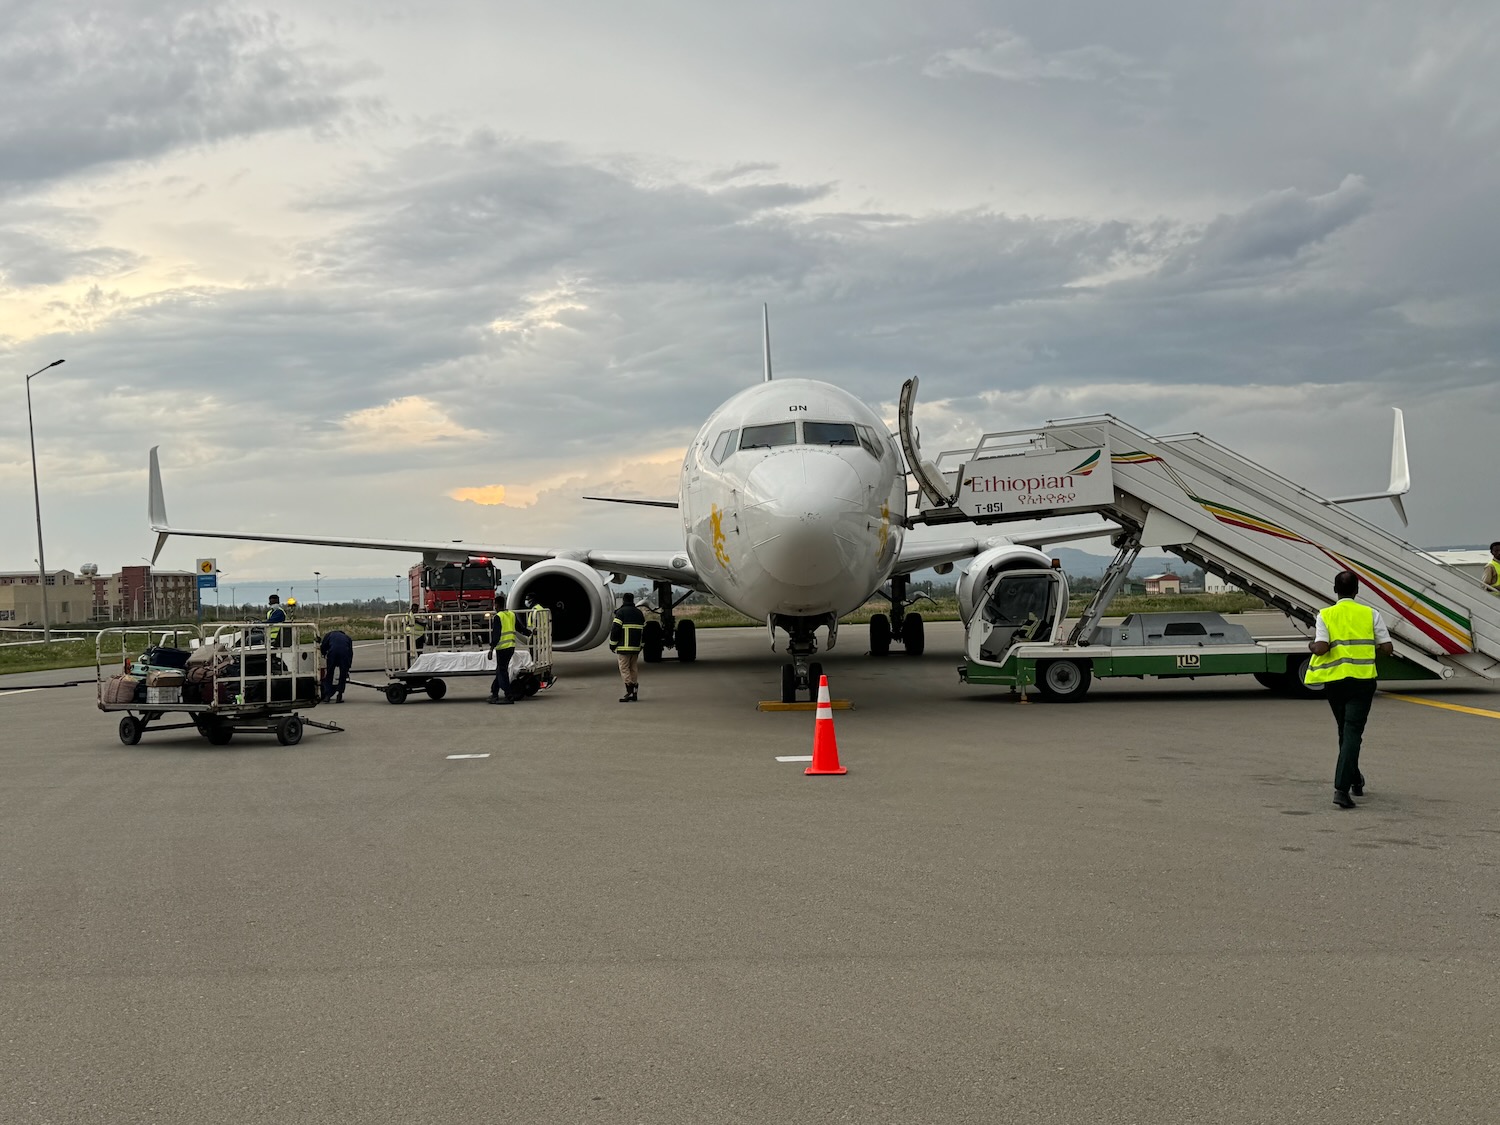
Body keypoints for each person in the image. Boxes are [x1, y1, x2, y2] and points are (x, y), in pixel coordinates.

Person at [1305, 570, 1394, 809]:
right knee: (1352, 732)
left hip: (1336, 683)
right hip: (1363, 681)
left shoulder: (1325, 614)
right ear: (1357, 590)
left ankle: (1353, 779)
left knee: (1345, 732)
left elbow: (1322, 648)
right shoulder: (1371, 614)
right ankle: (1343, 787)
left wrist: (1311, 645)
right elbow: (1387, 648)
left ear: (1335, 590)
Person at [488, 592, 531, 705]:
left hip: (502, 648)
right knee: (500, 670)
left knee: (502, 672)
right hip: (511, 647)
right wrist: (530, 632)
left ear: (497, 604)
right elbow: (520, 628)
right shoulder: (511, 615)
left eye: (495, 605)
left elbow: (496, 635)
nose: (495, 607)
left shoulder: (498, 617)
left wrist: (491, 648)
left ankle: (508, 695)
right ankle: (494, 692)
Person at [609, 592, 646, 702]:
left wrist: (612, 644)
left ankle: (629, 690)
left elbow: (615, 630)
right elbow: (644, 632)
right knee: (633, 668)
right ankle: (634, 691)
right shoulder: (639, 613)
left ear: (624, 600)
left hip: (623, 647)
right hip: (635, 648)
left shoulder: (620, 613)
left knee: (624, 668)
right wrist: (641, 646)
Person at [320, 629, 353, 702]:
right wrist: (348, 666)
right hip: (344, 654)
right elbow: (350, 653)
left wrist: (324, 653)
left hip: (333, 653)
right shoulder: (347, 638)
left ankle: (327, 696)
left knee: (329, 674)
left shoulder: (329, 635)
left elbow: (323, 646)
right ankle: (339, 695)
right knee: (343, 675)